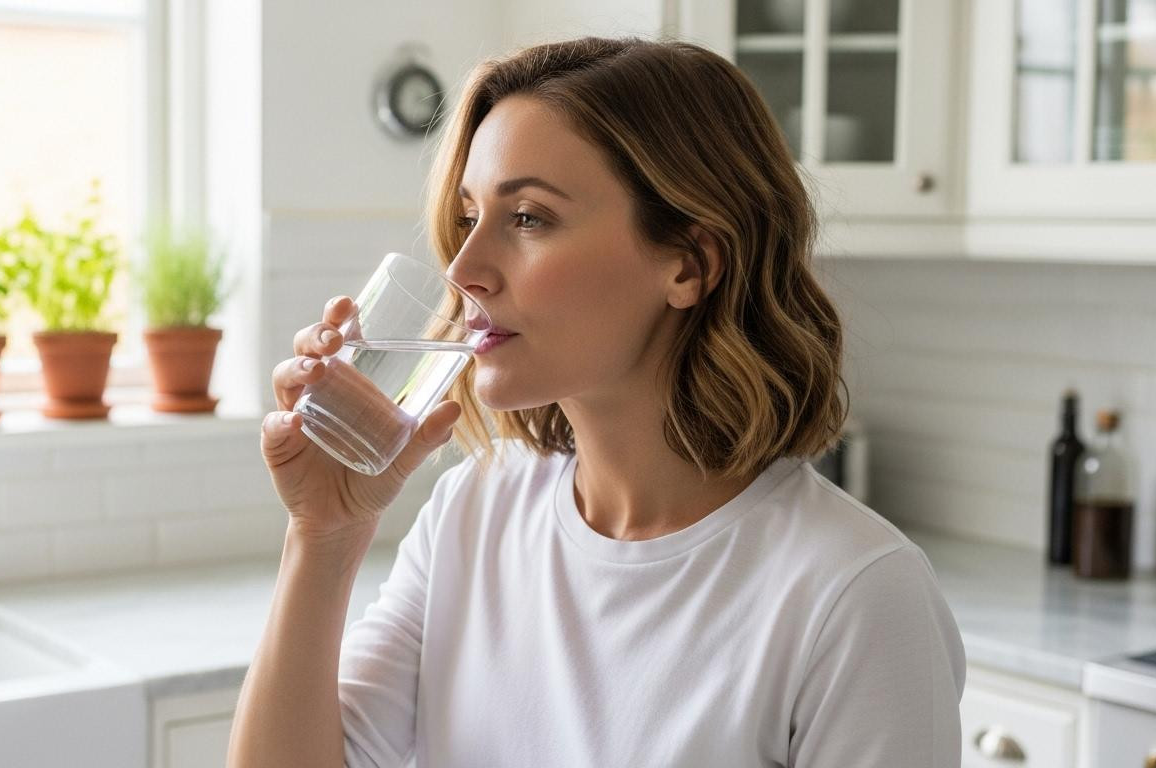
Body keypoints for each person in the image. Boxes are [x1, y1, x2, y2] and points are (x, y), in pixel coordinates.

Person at [229, 36, 964, 767]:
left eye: (528, 218)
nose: (464, 269)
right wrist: (323, 537)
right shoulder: (474, 513)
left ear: (690, 263)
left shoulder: (855, 595)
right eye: (470, 216)